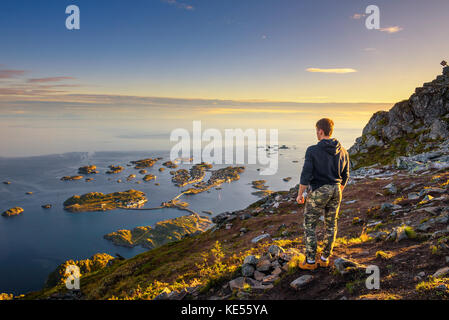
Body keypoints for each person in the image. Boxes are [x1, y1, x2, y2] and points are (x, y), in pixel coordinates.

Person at [296, 118, 350, 270]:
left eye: (316, 131)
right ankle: (325, 258)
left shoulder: (312, 150)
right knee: (331, 224)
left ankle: (311, 262)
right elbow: (346, 176)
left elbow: (305, 175)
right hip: (337, 189)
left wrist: (300, 195)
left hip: (320, 190)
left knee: (310, 225)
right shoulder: (343, 151)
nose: (316, 134)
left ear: (320, 131)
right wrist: (338, 190)